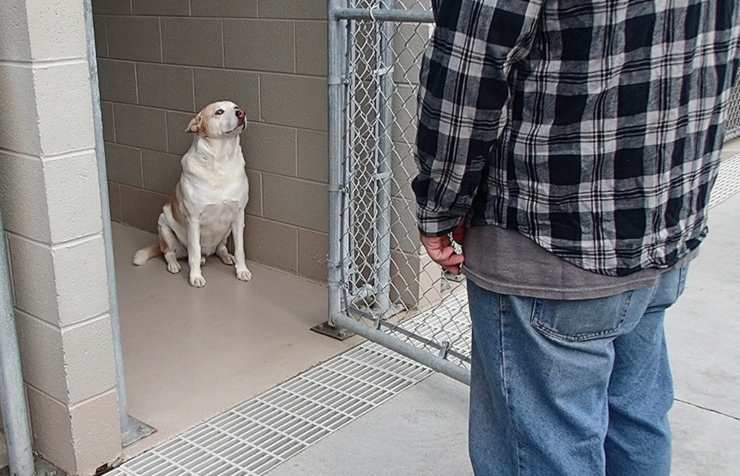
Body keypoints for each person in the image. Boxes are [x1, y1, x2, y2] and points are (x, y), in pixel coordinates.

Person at [413, 1, 740, 475]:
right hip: (665, 224)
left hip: (548, 239)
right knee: (635, 419)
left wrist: (441, 205)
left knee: (546, 449)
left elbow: (467, 70)